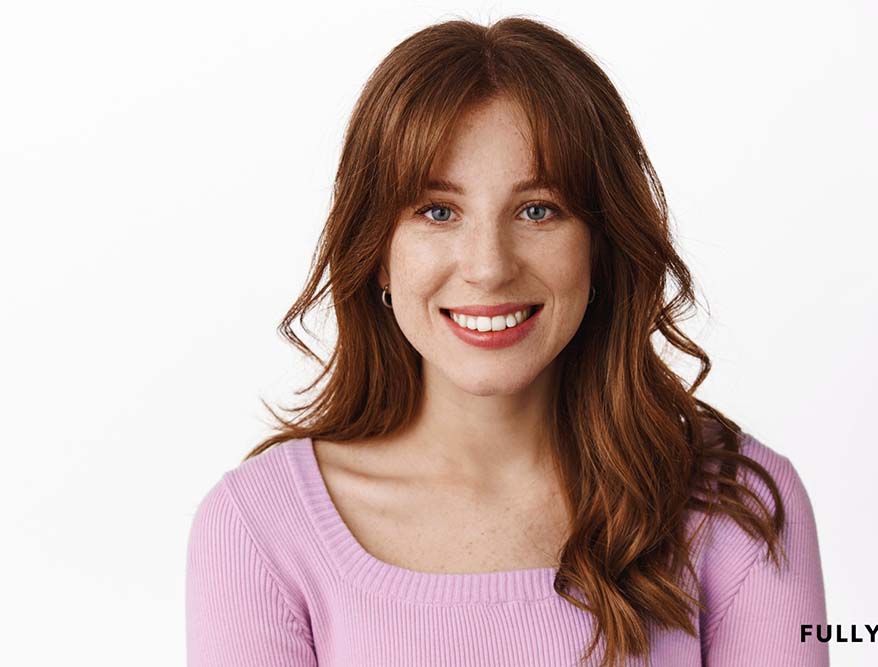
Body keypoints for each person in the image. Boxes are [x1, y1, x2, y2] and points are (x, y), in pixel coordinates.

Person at [185, 16, 828, 667]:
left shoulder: (737, 510)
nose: (488, 267)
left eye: (537, 210)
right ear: (377, 253)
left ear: (600, 246)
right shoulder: (259, 529)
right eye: (438, 211)